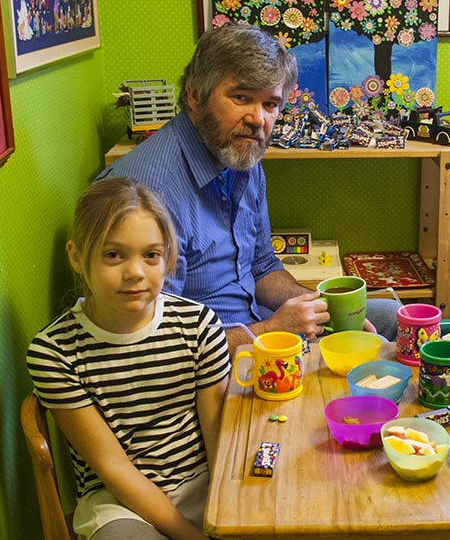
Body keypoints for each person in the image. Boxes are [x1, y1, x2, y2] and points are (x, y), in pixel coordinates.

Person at [98, 23, 398, 354]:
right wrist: (270, 330)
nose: (258, 119)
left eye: (270, 104)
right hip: (213, 369)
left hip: (256, 323)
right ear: (194, 95)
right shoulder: (145, 197)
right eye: (241, 98)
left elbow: (261, 267)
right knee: (378, 357)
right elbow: (150, 343)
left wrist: (320, 308)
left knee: (394, 318)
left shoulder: (239, 155)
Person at [26, 178, 231, 540]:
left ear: (167, 257)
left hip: (207, 486)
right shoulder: (54, 352)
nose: (135, 272)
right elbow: (112, 467)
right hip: (121, 504)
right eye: (113, 255)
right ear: (77, 257)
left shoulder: (198, 326)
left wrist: (223, 521)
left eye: (151, 255)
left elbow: (219, 440)